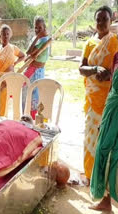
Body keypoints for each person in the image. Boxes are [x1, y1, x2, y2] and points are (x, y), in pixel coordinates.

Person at [79, 6, 118, 186]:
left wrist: (109, 75)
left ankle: (103, 180)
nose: (101, 23)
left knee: (104, 142)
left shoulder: (115, 42)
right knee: (90, 138)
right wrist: (95, 69)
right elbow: (82, 68)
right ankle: (89, 176)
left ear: (111, 21)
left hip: (108, 100)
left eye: (105, 19)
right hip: (92, 100)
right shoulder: (89, 43)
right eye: (98, 19)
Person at [89, 52, 118, 212]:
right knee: (104, 151)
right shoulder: (117, 56)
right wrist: (105, 116)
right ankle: (106, 200)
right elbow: (112, 85)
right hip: (112, 108)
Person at [0, 24, 25, 116]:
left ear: (10, 35)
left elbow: (23, 56)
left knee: (8, 104)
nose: (5, 36)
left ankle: (5, 122)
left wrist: (15, 63)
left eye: (7, 34)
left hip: (10, 80)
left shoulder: (13, 48)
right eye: (3, 34)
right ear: (0, 36)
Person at [24, 16, 50, 118]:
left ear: (44, 27)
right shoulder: (38, 39)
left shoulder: (44, 40)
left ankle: (33, 118)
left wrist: (37, 38)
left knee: (34, 95)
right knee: (28, 94)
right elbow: (29, 53)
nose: (37, 30)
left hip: (37, 71)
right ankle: (27, 116)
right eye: (35, 27)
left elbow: (29, 52)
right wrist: (31, 56)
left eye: (39, 27)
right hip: (32, 70)